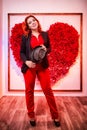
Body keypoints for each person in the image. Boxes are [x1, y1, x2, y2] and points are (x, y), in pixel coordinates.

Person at [20, 15, 60, 127]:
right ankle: (31, 115)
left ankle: (55, 116)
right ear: (27, 26)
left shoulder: (45, 34)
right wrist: (26, 62)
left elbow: (50, 48)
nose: (33, 22)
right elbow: (21, 52)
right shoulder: (25, 37)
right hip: (30, 67)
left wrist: (46, 49)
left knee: (48, 90)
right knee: (29, 91)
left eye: (34, 20)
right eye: (30, 22)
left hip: (42, 66)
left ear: (37, 21)